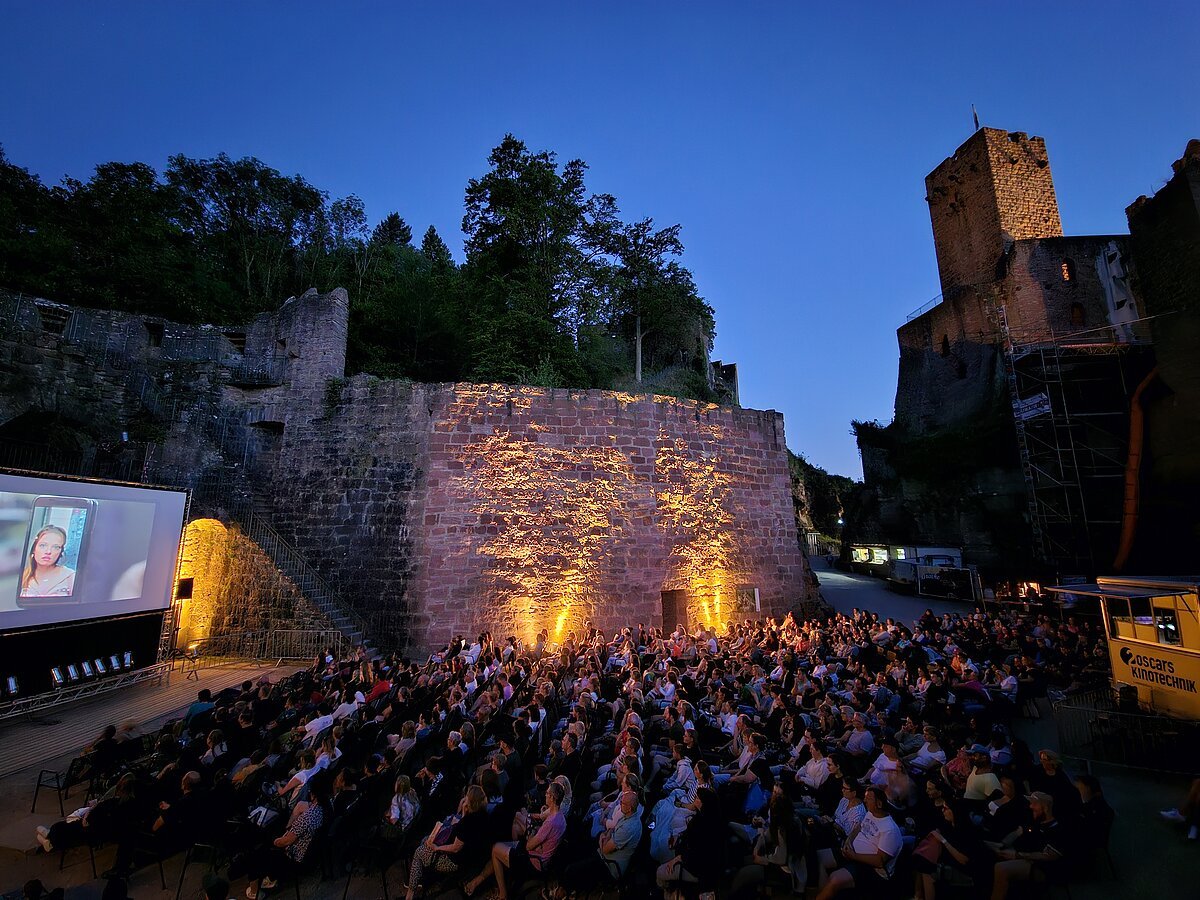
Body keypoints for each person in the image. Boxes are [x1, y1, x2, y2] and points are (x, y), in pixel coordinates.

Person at [464, 782, 566, 899]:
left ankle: (503, 894)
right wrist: (530, 822)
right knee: (506, 839)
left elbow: (528, 846)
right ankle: (492, 877)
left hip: (534, 861)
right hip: (539, 853)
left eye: (547, 793)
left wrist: (531, 832)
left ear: (552, 798)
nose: (545, 795)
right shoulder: (560, 816)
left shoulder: (551, 823)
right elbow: (540, 820)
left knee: (495, 849)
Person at [245, 771, 330, 899]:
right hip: (310, 852)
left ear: (313, 794)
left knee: (257, 853)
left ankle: (255, 891)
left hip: (295, 857)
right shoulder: (328, 807)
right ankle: (271, 876)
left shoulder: (307, 817)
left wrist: (273, 840)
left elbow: (284, 842)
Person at [814, 786, 902, 900]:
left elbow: (879, 861)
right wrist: (848, 841)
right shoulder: (870, 813)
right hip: (853, 853)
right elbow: (858, 827)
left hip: (871, 868)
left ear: (879, 804)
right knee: (820, 857)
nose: (864, 801)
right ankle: (823, 894)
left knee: (835, 878)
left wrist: (853, 856)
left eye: (869, 798)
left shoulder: (889, 829)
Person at [404, 784, 490, 900]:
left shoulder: (467, 823)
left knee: (419, 852)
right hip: (470, 857)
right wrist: (464, 814)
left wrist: (436, 848)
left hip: (454, 861)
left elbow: (456, 847)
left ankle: (410, 894)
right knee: (425, 840)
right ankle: (423, 877)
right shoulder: (484, 815)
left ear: (470, 802)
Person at [988, 791, 1068, 900]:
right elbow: (1018, 831)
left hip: (1044, 869)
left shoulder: (1056, 829)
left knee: (1001, 869)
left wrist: (1018, 855)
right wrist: (1001, 845)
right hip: (1027, 858)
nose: (1030, 806)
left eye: (1034, 804)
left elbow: (1049, 856)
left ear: (1045, 808)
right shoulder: (1036, 823)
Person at [20, 525, 75, 597]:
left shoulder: (70, 577)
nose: (48, 551)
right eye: (43, 545)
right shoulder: (21, 577)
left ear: (61, 552)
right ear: (34, 548)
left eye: (56, 547)